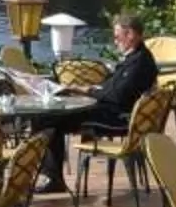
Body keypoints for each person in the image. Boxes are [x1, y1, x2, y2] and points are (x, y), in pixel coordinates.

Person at [40, 13, 160, 192]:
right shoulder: (136, 58)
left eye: (117, 36)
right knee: (51, 119)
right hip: (113, 110)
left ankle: (52, 178)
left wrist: (87, 92)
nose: (115, 40)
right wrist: (84, 90)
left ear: (131, 35)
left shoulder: (140, 63)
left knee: (50, 120)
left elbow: (117, 96)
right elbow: (110, 87)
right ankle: (51, 175)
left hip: (118, 118)